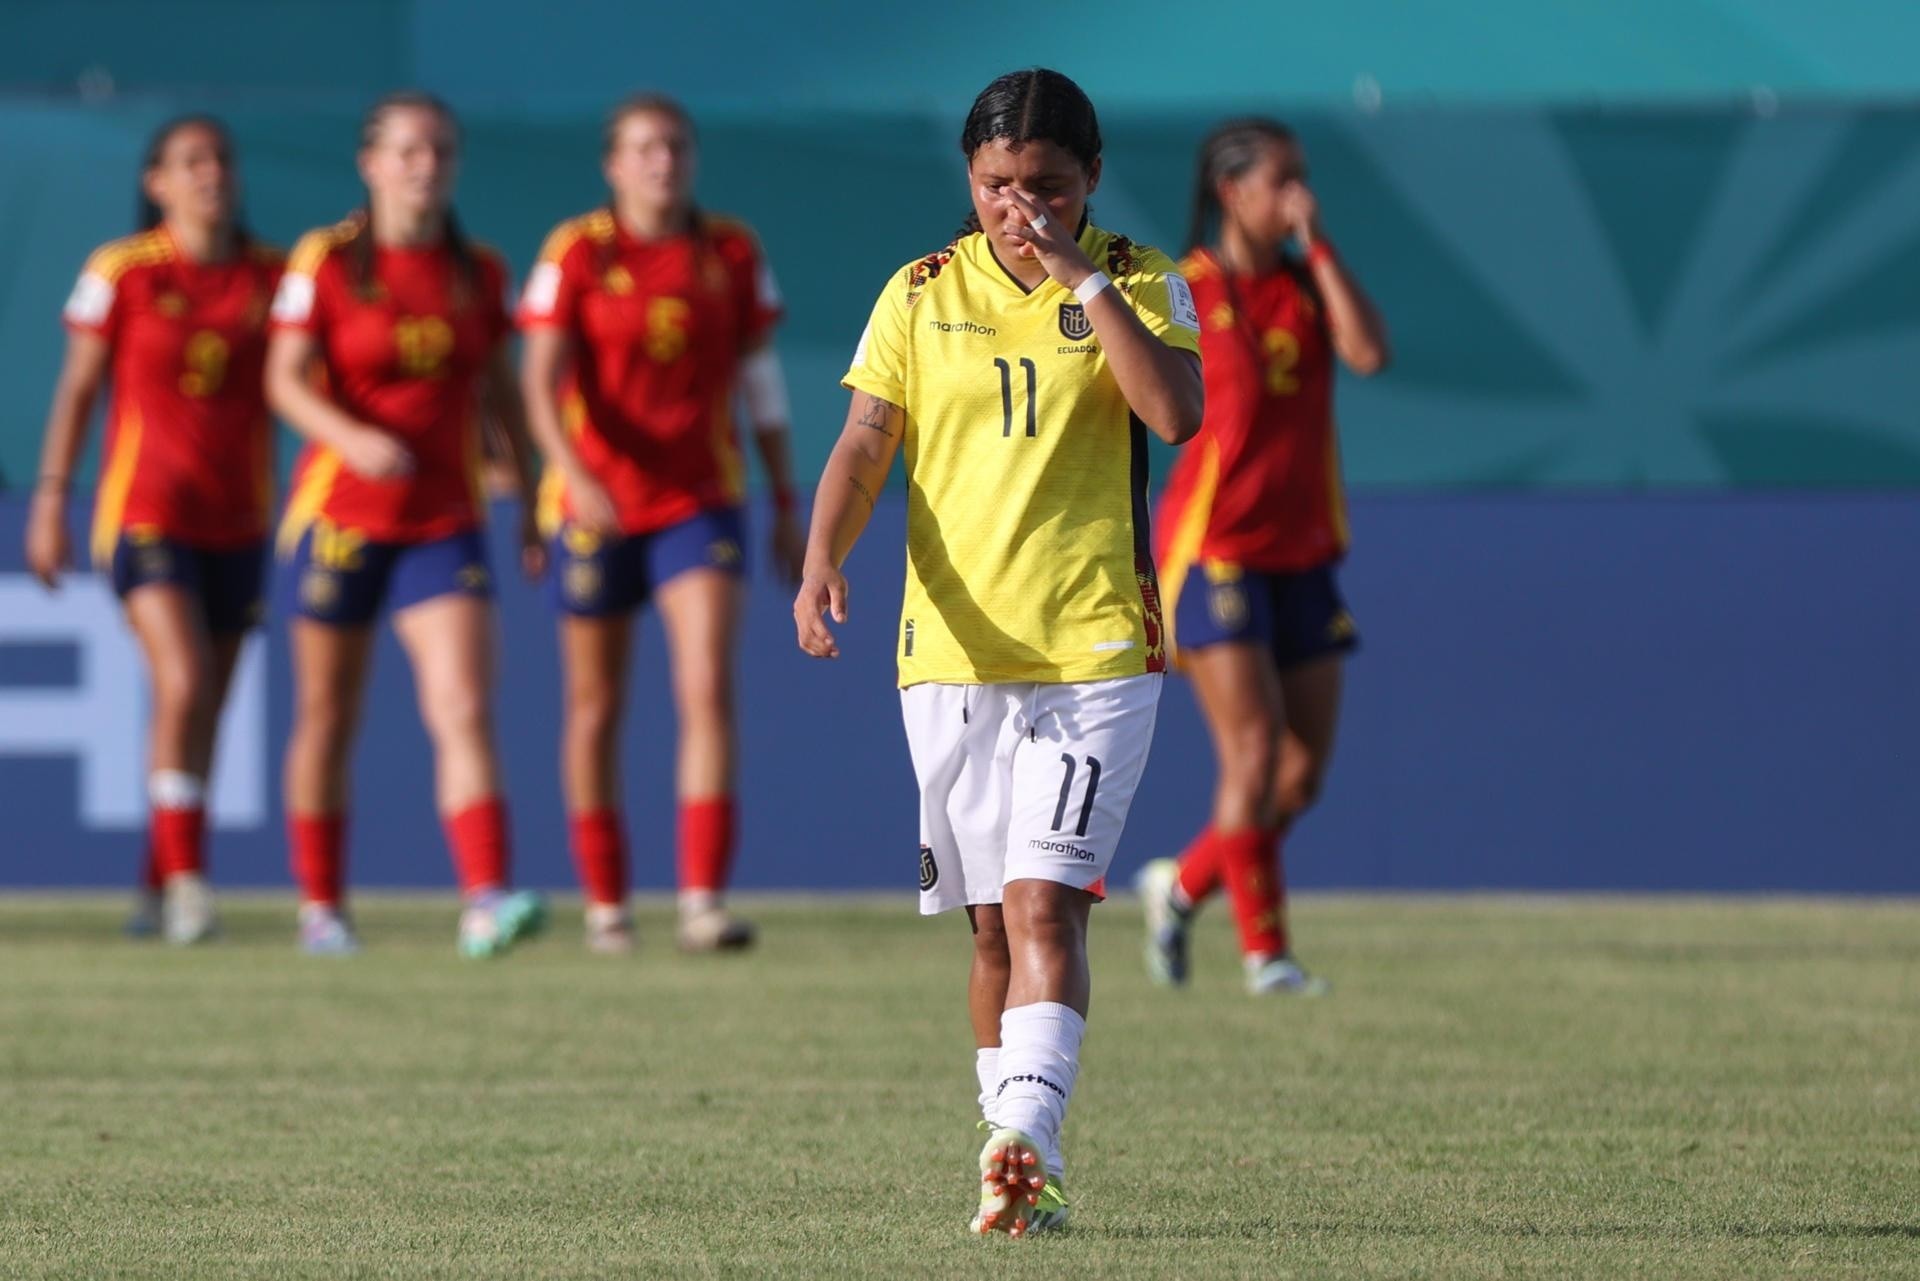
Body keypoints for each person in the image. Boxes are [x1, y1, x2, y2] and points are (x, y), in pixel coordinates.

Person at [794, 68, 1202, 1236]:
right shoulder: (921, 291)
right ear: (968, 180)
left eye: (1049, 187)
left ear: (1094, 178)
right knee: (987, 926)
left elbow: (1175, 415)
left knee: (1044, 905)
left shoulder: (1139, 278)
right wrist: (822, 557)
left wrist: (1082, 278)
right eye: (996, 185)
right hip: (952, 647)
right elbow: (866, 440)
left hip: (1093, 644)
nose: (1021, 208)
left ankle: (1031, 1139)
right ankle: (1008, 1159)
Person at [266, 91, 547, 957]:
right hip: (339, 518)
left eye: (440, 151)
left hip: (442, 519)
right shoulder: (326, 260)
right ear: (371, 163)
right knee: (327, 713)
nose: (426, 167)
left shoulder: (479, 271)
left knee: (463, 704)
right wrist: (348, 437)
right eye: (408, 151)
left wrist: (533, 500)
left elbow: (502, 393)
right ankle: (321, 907)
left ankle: (485, 898)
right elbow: (282, 378)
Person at [519, 93, 800, 955]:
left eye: (675, 145)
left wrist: (785, 498)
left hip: (699, 501)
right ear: (613, 164)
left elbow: (760, 383)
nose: (662, 162)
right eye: (643, 148)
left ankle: (702, 901)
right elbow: (536, 383)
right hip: (595, 507)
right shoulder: (576, 251)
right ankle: (606, 903)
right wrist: (574, 476)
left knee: (706, 687)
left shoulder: (731, 251)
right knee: (596, 705)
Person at [1137, 118, 1390, 996]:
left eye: (1302, 178)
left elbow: (1369, 353)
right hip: (1215, 552)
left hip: (1303, 550)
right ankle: (1267, 955)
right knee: (1250, 753)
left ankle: (1180, 887)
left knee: (1298, 774)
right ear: (1231, 191)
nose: (1298, 194)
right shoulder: (1185, 287)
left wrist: (1316, 244)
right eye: (1282, 180)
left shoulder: (1307, 284)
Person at [26, 115, 282, 944]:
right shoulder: (123, 270)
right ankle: (191, 887)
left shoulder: (274, 275)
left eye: (223, 159)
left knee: (208, 707)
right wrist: (51, 499)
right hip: (146, 511)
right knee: (184, 680)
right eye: (192, 161)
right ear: (157, 182)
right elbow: (78, 388)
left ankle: (155, 882)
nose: (212, 174)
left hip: (240, 517)